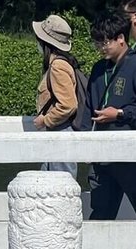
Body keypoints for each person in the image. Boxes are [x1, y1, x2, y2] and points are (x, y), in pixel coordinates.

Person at [86, 11, 136, 220]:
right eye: (97, 43)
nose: (101, 48)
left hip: (130, 155)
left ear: (121, 39)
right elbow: (88, 108)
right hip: (101, 156)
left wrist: (119, 114)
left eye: (105, 42)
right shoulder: (98, 69)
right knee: (100, 214)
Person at [32, 14, 81, 179]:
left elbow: (68, 104)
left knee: (61, 187)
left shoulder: (58, 66)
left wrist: (45, 120)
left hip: (60, 131)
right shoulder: (60, 63)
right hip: (59, 131)